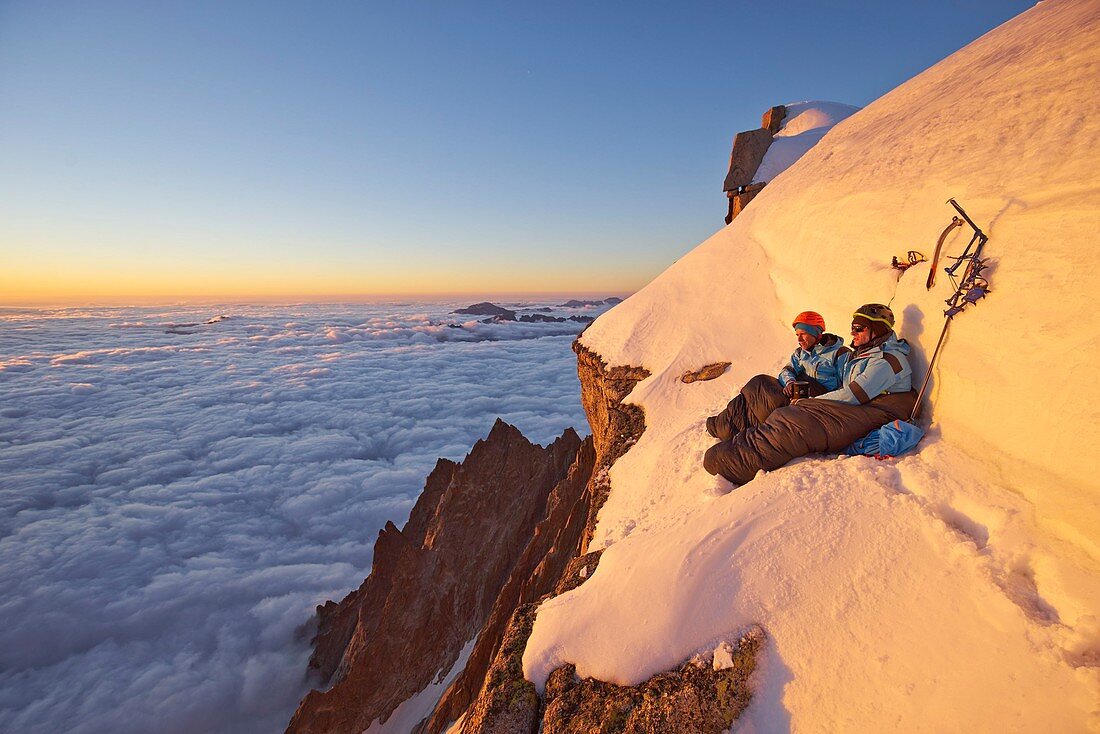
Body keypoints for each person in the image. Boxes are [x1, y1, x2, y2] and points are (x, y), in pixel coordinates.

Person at [703, 303, 917, 485]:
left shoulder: (885, 361)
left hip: (865, 407)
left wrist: (810, 401)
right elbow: (788, 370)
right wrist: (793, 384)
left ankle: (730, 460)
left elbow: (852, 395)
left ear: (877, 330)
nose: (853, 332)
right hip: (842, 402)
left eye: (859, 328)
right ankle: (725, 426)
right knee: (762, 385)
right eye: (853, 328)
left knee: (793, 420)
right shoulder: (864, 355)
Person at [706, 311, 851, 442]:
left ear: (816, 333)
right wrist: (790, 382)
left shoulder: (840, 354)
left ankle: (730, 429)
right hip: (795, 391)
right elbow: (786, 370)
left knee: (770, 401)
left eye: (803, 334)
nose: (799, 339)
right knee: (759, 383)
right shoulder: (800, 353)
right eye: (797, 335)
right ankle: (722, 423)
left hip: (815, 399)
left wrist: (818, 400)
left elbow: (847, 388)